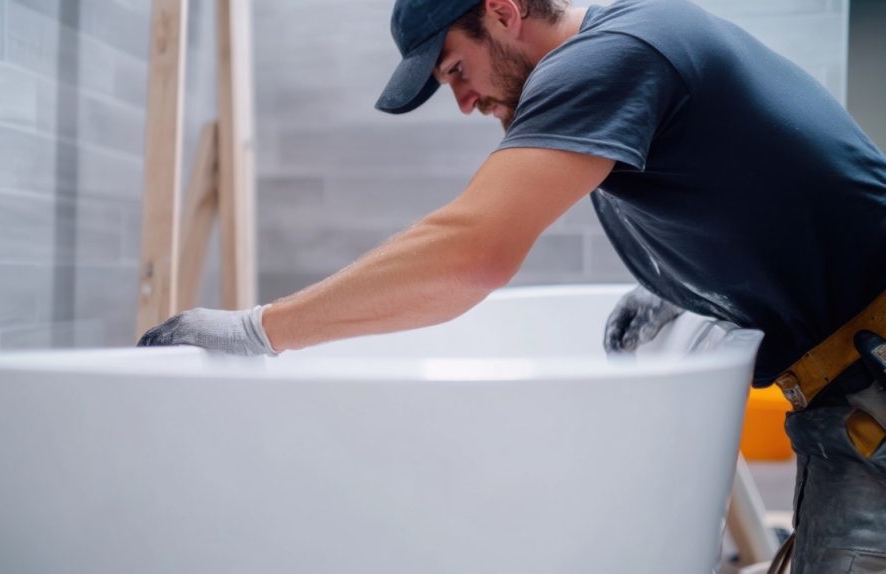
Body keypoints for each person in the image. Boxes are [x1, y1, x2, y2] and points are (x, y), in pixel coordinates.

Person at [138, 0, 886, 570]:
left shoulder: (601, 61)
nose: (463, 102)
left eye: (457, 71)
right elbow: (760, 186)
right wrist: (686, 288)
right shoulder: (633, 48)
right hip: (851, 393)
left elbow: (468, 252)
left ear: (502, 10)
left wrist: (259, 330)